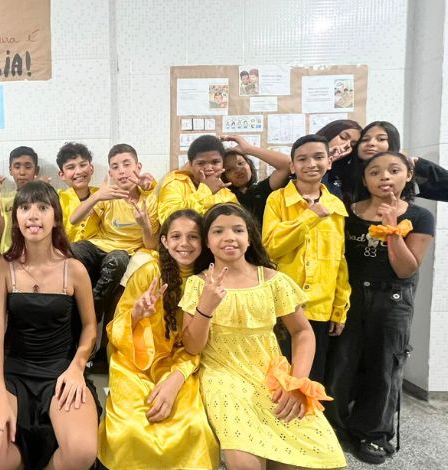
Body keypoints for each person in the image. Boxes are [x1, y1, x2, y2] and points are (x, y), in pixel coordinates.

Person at [180, 203, 346, 469]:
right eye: (218, 231)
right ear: (207, 242)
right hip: (223, 377)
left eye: (238, 229)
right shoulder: (198, 284)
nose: (229, 237)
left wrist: (297, 382)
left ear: (249, 238)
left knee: (323, 460)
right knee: (245, 464)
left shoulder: (273, 280)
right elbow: (193, 346)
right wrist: (206, 308)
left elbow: (302, 332)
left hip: (272, 376)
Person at [0, 181, 99, 470]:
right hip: (13, 371)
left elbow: (90, 327)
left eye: (42, 207)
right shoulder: (3, 267)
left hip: (61, 371)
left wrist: (77, 367)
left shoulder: (74, 269)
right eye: (25, 208)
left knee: (81, 453)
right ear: (16, 219)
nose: (33, 215)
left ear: (56, 218)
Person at [324, 151, 435, 465]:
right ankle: (340, 429)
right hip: (351, 298)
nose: (384, 177)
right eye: (375, 172)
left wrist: (391, 229)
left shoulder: (420, 216)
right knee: (342, 364)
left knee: (384, 369)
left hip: (392, 301)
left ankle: (374, 435)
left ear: (407, 175)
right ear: (364, 179)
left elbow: (405, 269)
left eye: (393, 170)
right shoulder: (349, 211)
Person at [98, 209, 220, 470]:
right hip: (133, 362)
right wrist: (136, 315)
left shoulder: (209, 282)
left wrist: (176, 378)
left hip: (181, 363)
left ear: (204, 242)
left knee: (193, 428)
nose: (184, 244)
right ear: (163, 241)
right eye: (176, 236)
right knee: (130, 430)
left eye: (193, 237)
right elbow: (114, 329)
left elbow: (201, 343)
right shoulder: (148, 271)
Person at [262, 135, 350, 383]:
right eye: (302, 159)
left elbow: (339, 261)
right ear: (292, 166)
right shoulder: (277, 200)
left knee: (310, 378)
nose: (311, 163)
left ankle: (307, 421)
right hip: (283, 305)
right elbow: (271, 248)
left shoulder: (336, 206)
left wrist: (340, 308)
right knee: (277, 375)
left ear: (329, 162)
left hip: (320, 307)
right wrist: (309, 217)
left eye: (318, 157)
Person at [70, 144, 159, 325]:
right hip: (98, 245)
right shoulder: (107, 196)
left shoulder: (150, 200)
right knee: (70, 251)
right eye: (115, 167)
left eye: (127, 164)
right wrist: (96, 197)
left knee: (117, 260)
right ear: (110, 173)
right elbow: (74, 220)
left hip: (124, 253)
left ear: (138, 167)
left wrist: (144, 225)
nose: (122, 171)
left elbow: (150, 245)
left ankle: (91, 314)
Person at [342, 121, 448, 204]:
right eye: (365, 139)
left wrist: (422, 165)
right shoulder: (342, 173)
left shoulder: (403, 178)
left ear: (392, 144)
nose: (371, 144)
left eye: (381, 139)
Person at [158, 134, 238, 224]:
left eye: (215, 162)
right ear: (191, 164)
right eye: (201, 163)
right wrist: (205, 191)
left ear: (223, 163)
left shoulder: (227, 195)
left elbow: (236, 225)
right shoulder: (175, 184)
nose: (208, 168)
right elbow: (167, 220)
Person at [220, 134, 292, 224]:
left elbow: (287, 165)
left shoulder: (261, 190)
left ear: (249, 165)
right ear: (224, 176)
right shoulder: (224, 199)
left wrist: (249, 149)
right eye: (229, 170)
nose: (238, 170)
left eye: (240, 163)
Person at [0, 146, 42, 253]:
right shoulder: (3, 199)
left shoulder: (46, 199)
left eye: (28, 167)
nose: (22, 172)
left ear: (36, 170)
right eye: (17, 167)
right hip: (7, 254)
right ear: (10, 170)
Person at [56, 142, 100, 243]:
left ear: (91, 168)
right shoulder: (57, 198)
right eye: (71, 167)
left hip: (99, 252)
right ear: (62, 175)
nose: (79, 171)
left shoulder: (102, 195)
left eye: (83, 165)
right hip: (66, 253)